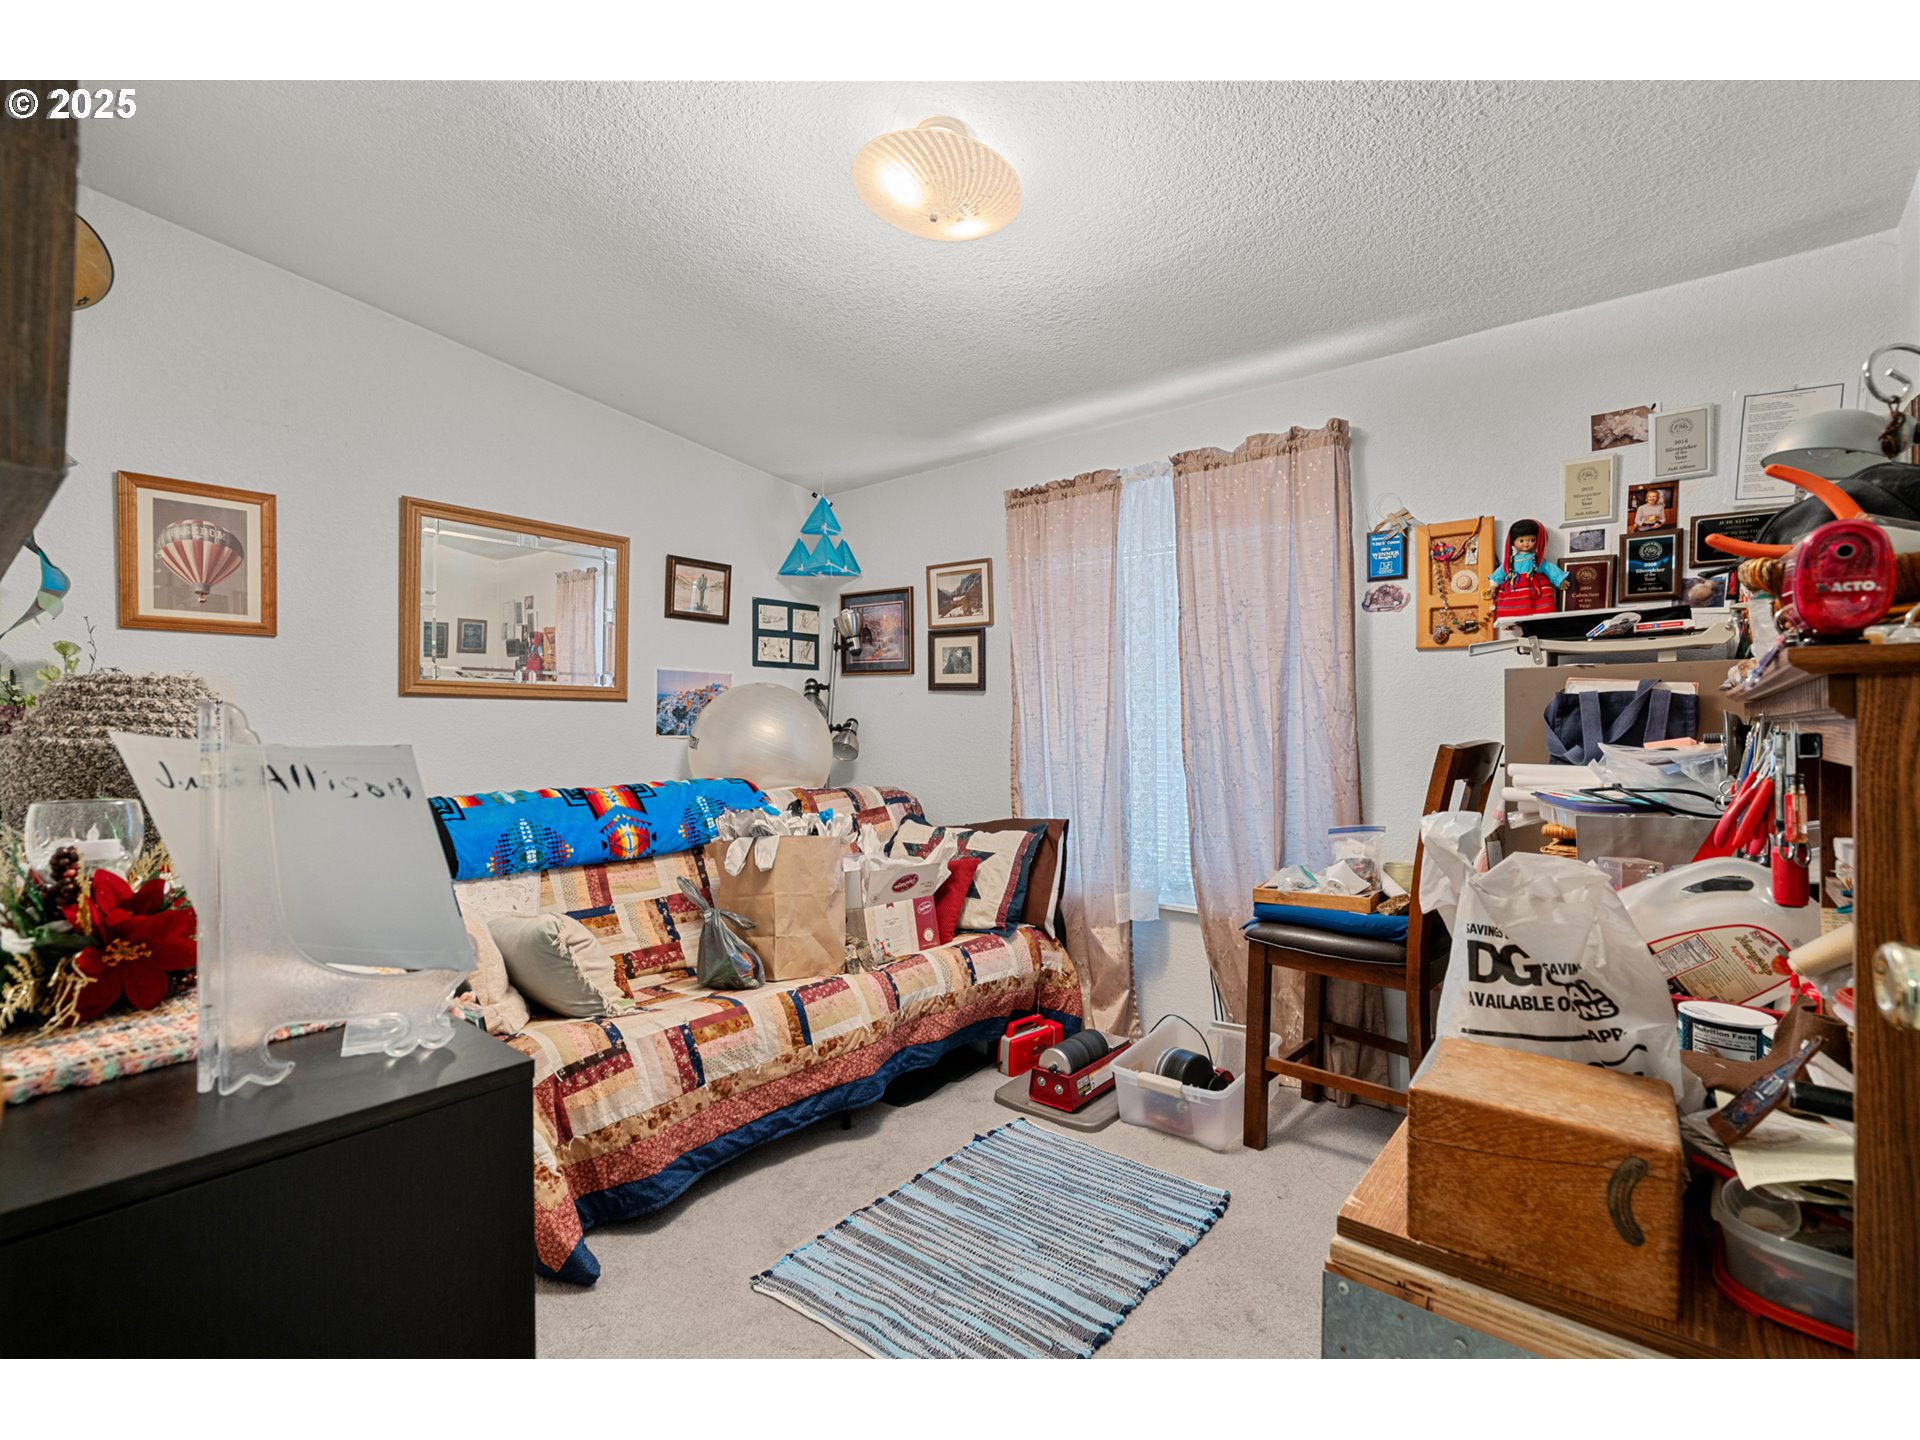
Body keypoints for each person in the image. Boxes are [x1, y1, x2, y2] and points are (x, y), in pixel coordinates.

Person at [1486, 518, 1569, 620]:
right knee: (1511, 609)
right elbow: (1501, 571)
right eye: (1521, 540)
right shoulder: (1510, 561)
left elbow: (1549, 568)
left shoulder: (1537, 560)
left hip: (1535, 589)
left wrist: (1559, 580)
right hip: (1514, 589)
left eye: (1532, 540)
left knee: (1540, 609)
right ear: (1512, 542)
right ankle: (1510, 621)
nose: (1526, 544)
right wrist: (1493, 585)